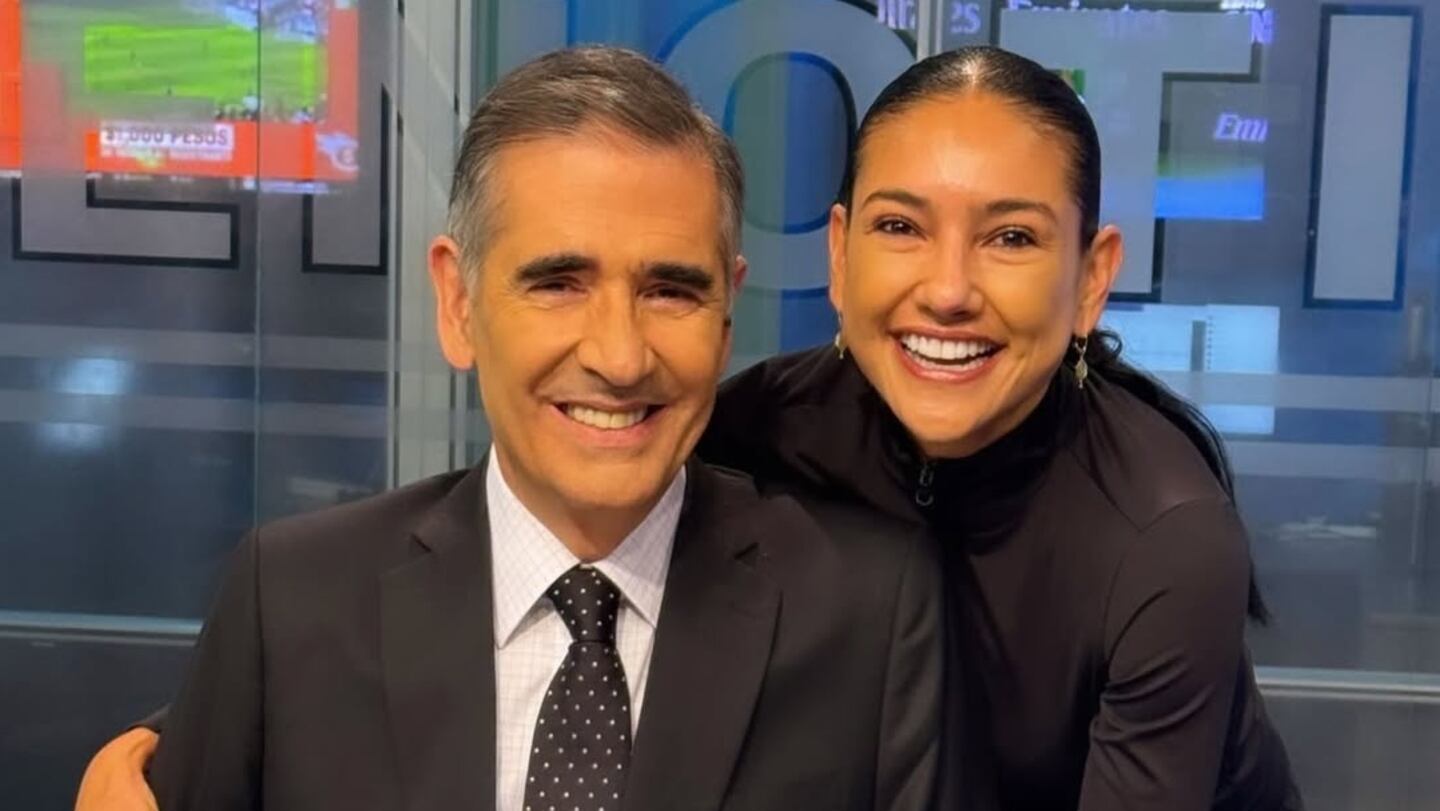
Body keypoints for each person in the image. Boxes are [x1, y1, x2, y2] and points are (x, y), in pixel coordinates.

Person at [103, 46, 942, 811]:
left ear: (726, 316)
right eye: (558, 284)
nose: (619, 356)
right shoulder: (291, 601)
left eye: (671, 291)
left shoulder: (868, 615)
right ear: (458, 302)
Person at [703, 47, 1302, 810]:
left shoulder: (1166, 534)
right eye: (900, 226)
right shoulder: (745, 441)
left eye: (1012, 237)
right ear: (840, 255)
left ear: (1091, 279)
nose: (948, 291)